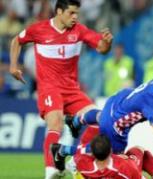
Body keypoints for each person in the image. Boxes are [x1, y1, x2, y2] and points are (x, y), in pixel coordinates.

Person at [9, 0, 113, 178]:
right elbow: (16, 41)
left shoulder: (79, 30)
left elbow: (101, 48)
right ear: (58, 11)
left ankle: (74, 158)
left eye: (77, 14)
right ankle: (50, 171)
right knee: (55, 123)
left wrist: (107, 43)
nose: (75, 17)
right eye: (71, 13)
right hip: (50, 88)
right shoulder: (38, 29)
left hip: (72, 90)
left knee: (101, 120)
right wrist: (12, 66)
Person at [51, 134, 153, 179]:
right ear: (111, 150)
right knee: (138, 149)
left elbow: (74, 161)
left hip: (86, 173)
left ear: (92, 153)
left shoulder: (82, 162)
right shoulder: (125, 167)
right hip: (128, 171)